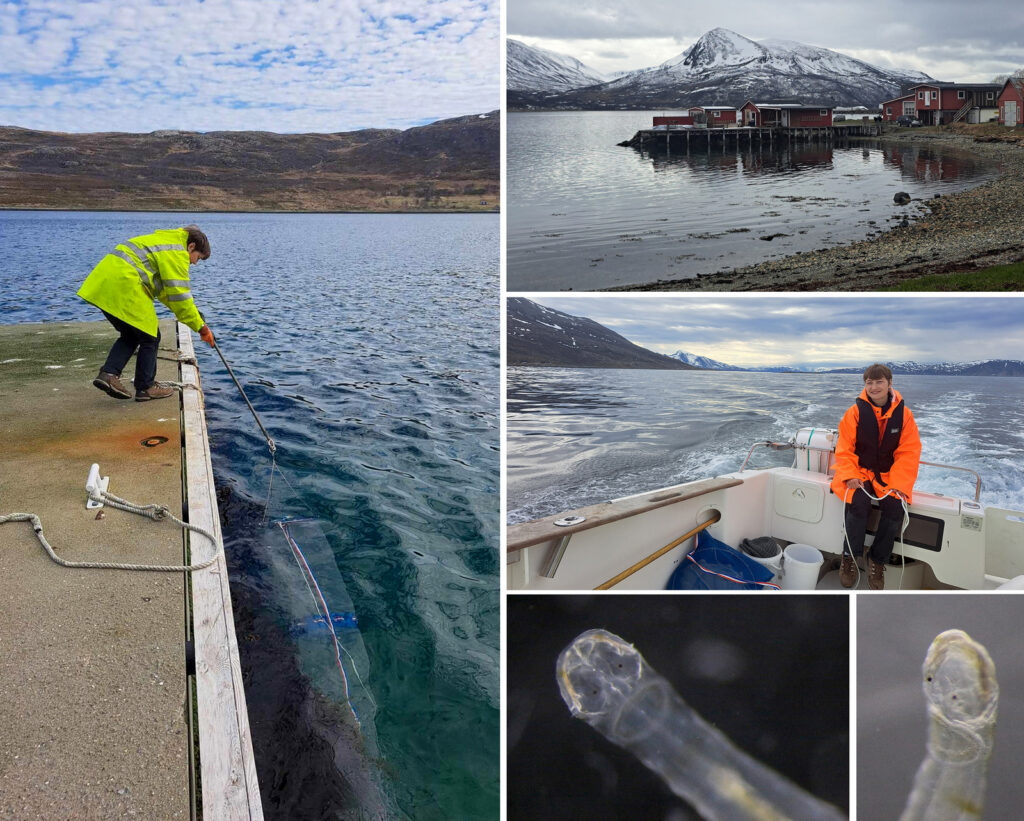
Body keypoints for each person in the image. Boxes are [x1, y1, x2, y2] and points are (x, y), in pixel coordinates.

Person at [77, 226, 215, 401]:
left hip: (104, 284)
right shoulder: (177, 253)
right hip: (126, 284)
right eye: (198, 258)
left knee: (131, 334)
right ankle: (146, 387)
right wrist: (201, 328)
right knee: (150, 337)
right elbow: (180, 298)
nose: (194, 263)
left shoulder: (164, 242)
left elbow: (167, 294)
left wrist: (194, 315)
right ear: (191, 246)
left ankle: (109, 374)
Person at [830, 364, 921, 590]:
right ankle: (849, 556)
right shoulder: (854, 412)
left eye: (879, 382)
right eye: (869, 383)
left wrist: (899, 485)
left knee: (895, 506)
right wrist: (850, 475)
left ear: (890, 384)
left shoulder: (905, 416)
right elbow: (844, 448)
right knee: (857, 501)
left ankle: (878, 560)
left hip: (889, 475)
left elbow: (908, 453)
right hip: (859, 470)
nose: (873, 387)